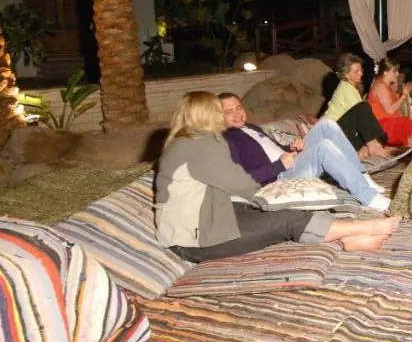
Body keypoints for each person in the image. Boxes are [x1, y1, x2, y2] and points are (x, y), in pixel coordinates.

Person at [154, 91, 398, 262]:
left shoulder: (186, 143)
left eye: (236, 108)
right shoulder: (201, 145)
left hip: (211, 217)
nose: (226, 116)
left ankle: (346, 238)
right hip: (193, 239)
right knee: (287, 220)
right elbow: (244, 185)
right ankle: (363, 226)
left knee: (278, 219)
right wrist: (279, 186)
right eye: (220, 112)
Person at [218, 92, 390, 212]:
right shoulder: (226, 140)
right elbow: (242, 178)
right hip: (279, 176)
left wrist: (291, 148)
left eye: (238, 107)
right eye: (229, 111)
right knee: (324, 147)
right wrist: (279, 166)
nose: (237, 114)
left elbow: (272, 150)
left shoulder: (252, 128)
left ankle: (362, 176)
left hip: (291, 161)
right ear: (218, 116)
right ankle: (368, 197)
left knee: (326, 124)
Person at [324, 53, 389, 158]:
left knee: (366, 114)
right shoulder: (345, 89)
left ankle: (371, 147)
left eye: (361, 70)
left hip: (342, 132)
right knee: (363, 108)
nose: (361, 73)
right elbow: (362, 117)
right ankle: (375, 147)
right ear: (346, 74)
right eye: (356, 72)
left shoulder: (350, 88)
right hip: (332, 133)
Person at [368, 58, 412, 151]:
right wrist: (404, 96)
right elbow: (390, 110)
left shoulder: (386, 86)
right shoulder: (380, 86)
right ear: (385, 72)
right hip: (386, 125)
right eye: (394, 71)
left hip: (393, 124)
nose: (397, 74)